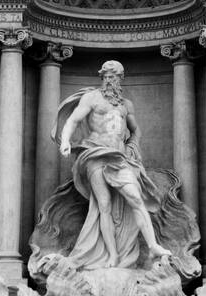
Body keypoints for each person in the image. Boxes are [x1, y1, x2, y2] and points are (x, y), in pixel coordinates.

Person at [57, 60, 173, 268]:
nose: (110, 80)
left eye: (115, 76)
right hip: (95, 154)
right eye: (107, 76)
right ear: (102, 78)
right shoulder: (91, 98)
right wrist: (65, 140)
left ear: (121, 79)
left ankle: (153, 245)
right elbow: (73, 120)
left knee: (136, 197)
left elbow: (135, 130)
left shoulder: (126, 105)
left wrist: (133, 145)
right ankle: (112, 255)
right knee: (104, 206)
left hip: (119, 158)